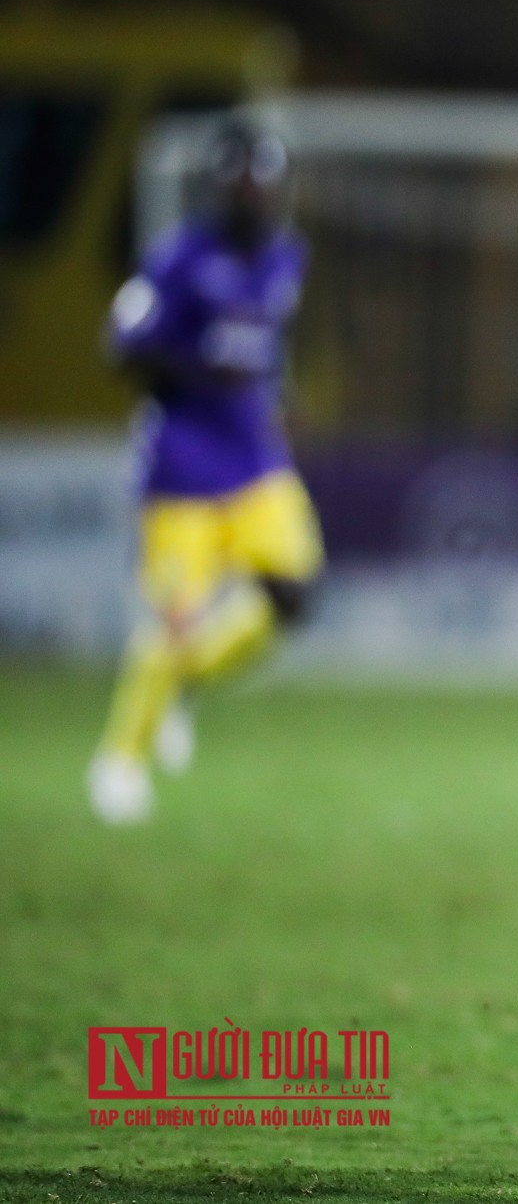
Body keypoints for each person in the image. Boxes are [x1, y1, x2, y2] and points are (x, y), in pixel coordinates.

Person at [86, 120, 323, 825]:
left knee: (294, 595)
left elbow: (265, 345)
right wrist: (193, 367)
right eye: (244, 183)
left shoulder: (287, 258)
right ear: (223, 189)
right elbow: (119, 344)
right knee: (178, 619)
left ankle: (183, 684)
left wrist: (277, 392)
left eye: (266, 183)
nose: (256, 195)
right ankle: (118, 761)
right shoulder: (179, 259)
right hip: (183, 465)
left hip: (254, 459)